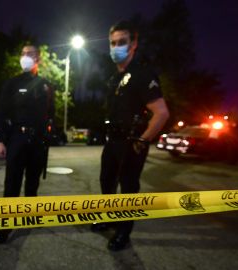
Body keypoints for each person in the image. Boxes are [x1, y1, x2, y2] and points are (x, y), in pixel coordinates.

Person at [91, 21, 170, 251]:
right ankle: (108, 218)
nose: (116, 47)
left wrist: (143, 140)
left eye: (122, 42)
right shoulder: (114, 78)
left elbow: (161, 113)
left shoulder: (143, 74)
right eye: (113, 43)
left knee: (128, 188)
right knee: (107, 182)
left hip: (132, 142)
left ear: (134, 44)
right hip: (113, 140)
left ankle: (124, 232)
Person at [0, 45, 55, 244]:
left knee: (32, 182)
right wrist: (1, 140)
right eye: (23, 54)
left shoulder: (46, 85)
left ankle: (31, 214)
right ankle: (5, 226)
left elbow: (51, 114)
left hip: (37, 141)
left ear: (38, 58)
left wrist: (48, 135)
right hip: (16, 139)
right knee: (11, 183)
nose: (25, 57)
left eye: (30, 54)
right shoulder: (12, 84)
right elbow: (2, 113)